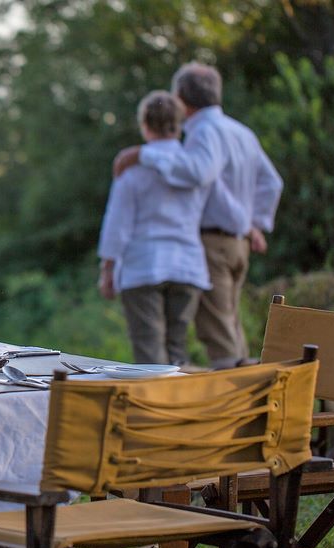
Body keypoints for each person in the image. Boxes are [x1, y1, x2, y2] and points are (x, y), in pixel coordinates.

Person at [113, 62, 283, 369]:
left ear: (180, 98)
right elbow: (272, 182)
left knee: (219, 336)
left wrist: (142, 154)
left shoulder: (203, 132)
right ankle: (250, 399)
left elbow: (198, 173)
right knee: (230, 325)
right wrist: (254, 224)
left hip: (211, 243)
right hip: (238, 242)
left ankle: (238, 409)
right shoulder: (241, 131)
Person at [98, 90, 210, 366]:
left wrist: (108, 268)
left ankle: (154, 408)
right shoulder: (195, 166)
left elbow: (118, 223)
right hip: (187, 265)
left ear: (144, 125)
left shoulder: (131, 170)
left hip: (143, 265)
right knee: (177, 350)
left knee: (149, 351)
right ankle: (181, 407)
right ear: (179, 125)